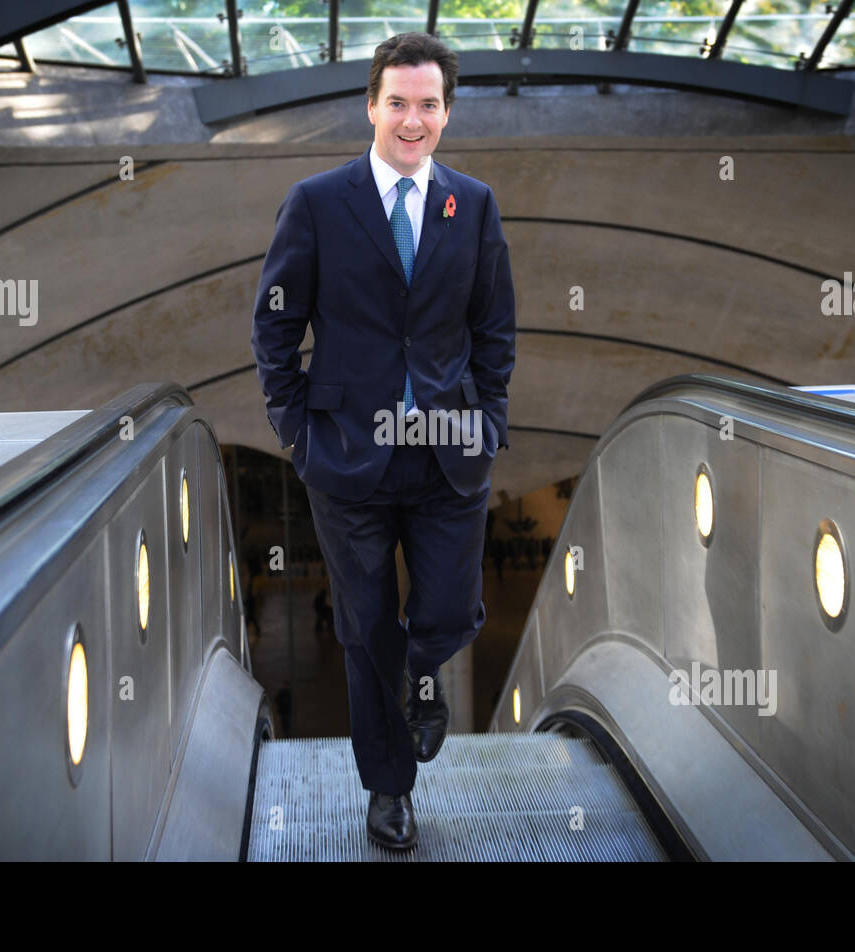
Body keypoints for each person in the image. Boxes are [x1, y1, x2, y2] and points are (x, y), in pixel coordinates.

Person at [250, 32, 516, 851]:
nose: (412, 119)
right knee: (366, 627)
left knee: (441, 609)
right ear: (370, 106)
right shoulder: (318, 202)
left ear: (446, 113)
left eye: (428, 105)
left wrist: (491, 418)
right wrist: (297, 432)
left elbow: (493, 328)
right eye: (397, 102)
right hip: (345, 456)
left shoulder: (470, 206)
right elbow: (275, 324)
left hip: (446, 449)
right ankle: (389, 791)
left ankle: (426, 668)